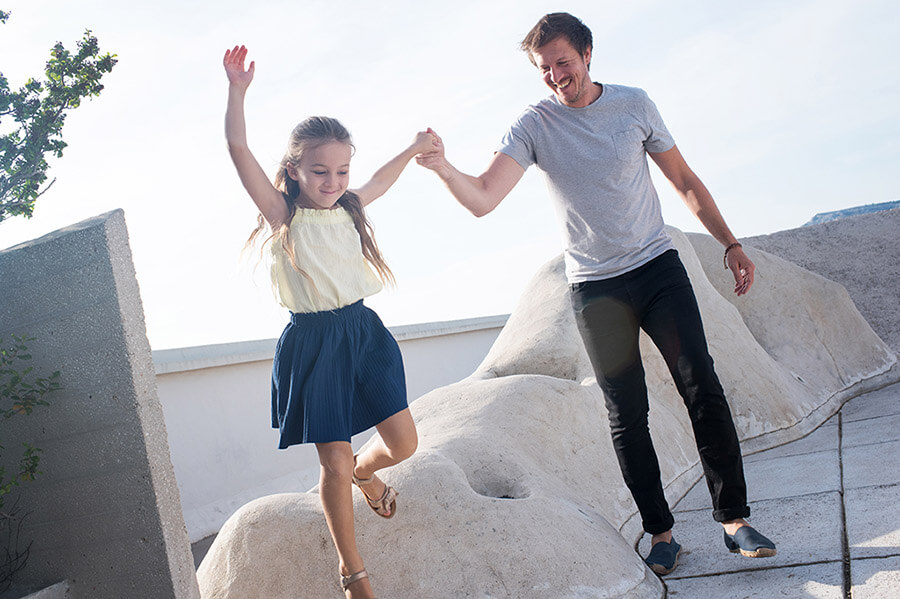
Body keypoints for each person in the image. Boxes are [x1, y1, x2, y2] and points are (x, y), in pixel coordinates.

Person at [417, 13, 775, 576]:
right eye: (544, 69)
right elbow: (484, 197)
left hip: (658, 269)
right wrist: (442, 168)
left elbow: (683, 180)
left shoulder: (633, 104)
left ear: (587, 54)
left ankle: (734, 519)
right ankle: (661, 533)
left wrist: (730, 243)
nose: (556, 76)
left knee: (700, 383)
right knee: (625, 413)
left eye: (563, 62)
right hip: (595, 288)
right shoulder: (533, 125)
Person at [224, 45, 432, 599]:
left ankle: (371, 474)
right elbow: (238, 148)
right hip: (313, 345)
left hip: (364, 334)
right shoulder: (282, 214)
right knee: (334, 462)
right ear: (294, 170)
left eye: (341, 170)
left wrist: (413, 148)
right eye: (320, 171)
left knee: (404, 443)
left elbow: (383, 180)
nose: (332, 180)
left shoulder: (350, 207)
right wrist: (237, 91)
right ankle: (353, 571)